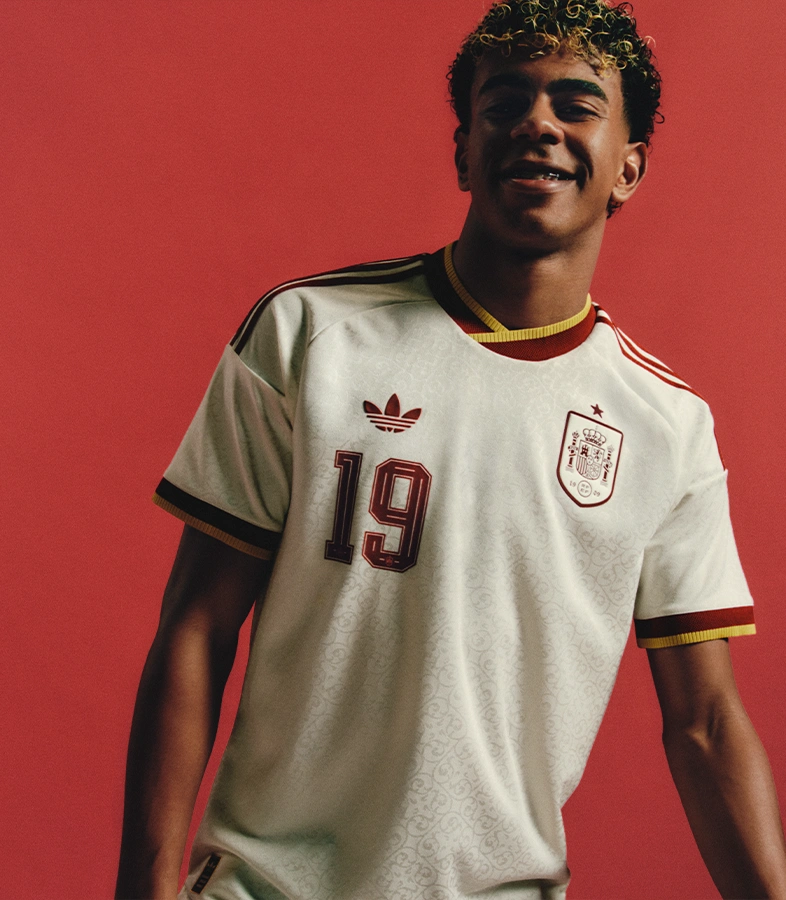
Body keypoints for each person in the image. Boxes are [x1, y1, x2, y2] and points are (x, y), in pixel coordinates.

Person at [116, 2, 786, 898]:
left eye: (577, 105)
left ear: (629, 170)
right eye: (506, 102)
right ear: (465, 150)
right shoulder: (310, 334)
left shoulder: (667, 425)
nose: (538, 123)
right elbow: (195, 631)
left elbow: (704, 721)